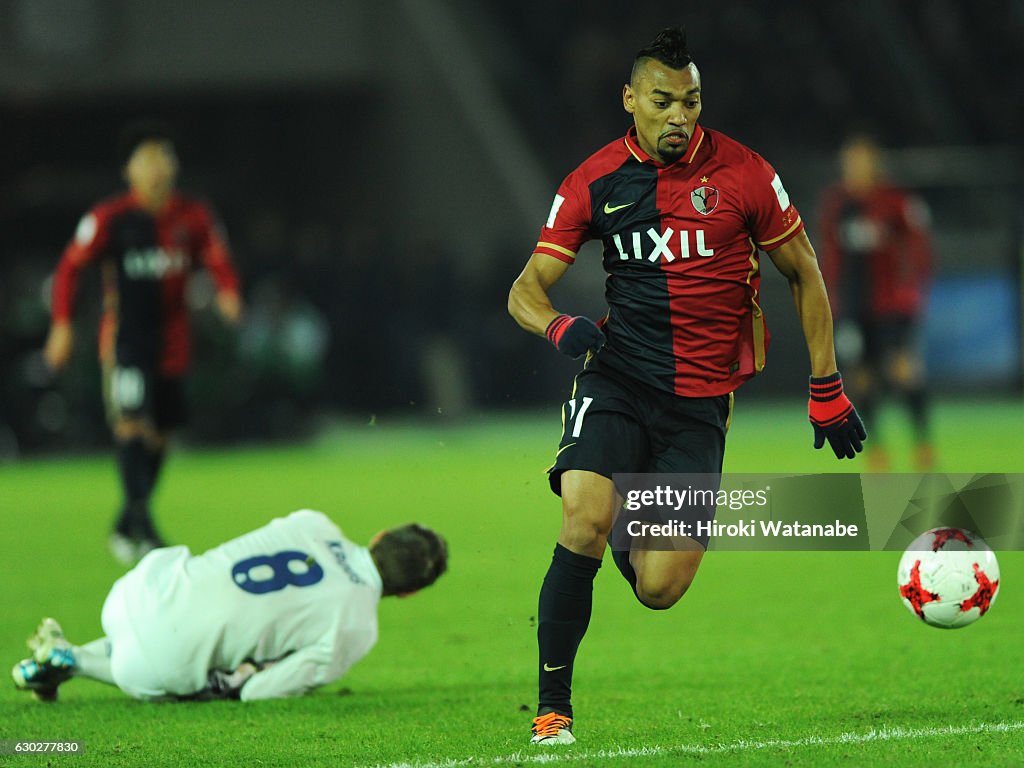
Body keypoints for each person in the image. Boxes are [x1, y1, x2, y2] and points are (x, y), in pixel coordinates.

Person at [507, 27, 866, 745]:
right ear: (631, 99)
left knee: (659, 589)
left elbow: (804, 272)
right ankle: (553, 710)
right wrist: (557, 328)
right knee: (582, 516)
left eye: (692, 102)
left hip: (700, 402)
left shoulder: (746, 174)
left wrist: (825, 383)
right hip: (616, 376)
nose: (681, 116)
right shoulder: (594, 180)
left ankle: (625, 518)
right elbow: (525, 289)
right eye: (665, 101)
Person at [42, 120, 243, 563]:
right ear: (128, 170)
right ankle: (146, 528)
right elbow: (70, 268)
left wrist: (228, 291)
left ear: (175, 166)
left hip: (173, 343)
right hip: (125, 341)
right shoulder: (109, 220)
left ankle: (127, 519)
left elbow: (217, 258)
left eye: (162, 158)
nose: (156, 168)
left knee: (162, 434)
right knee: (131, 422)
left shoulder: (194, 217)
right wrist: (62, 324)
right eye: (146, 159)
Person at [12, 510, 447, 702]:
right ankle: (77, 663)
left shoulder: (315, 522)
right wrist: (244, 676)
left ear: (379, 536)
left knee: (184, 603)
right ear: (408, 593)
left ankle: (70, 657)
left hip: (134, 591)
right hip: (154, 666)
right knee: (193, 667)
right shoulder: (358, 628)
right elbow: (260, 691)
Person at [819, 134, 933, 471]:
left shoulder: (896, 202)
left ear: (876, 163)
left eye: (863, 161)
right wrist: (832, 301)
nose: (857, 168)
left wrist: (912, 290)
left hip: (892, 304)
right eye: (851, 162)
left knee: (902, 368)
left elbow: (919, 249)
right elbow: (829, 254)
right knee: (861, 376)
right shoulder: (836, 204)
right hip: (853, 306)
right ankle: (877, 448)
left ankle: (923, 442)